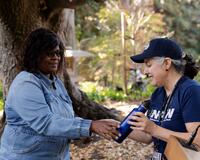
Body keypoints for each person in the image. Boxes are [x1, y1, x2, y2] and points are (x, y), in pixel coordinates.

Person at [0, 28, 119, 160]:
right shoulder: (26, 82)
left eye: (58, 53)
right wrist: (90, 126)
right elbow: (46, 122)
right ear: (34, 55)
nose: (55, 57)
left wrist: (88, 128)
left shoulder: (55, 81)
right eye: (49, 53)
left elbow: (66, 118)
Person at [127, 38, 200, 159]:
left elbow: (198, 141)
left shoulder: (191, 91)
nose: (145, 71)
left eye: (149, 65)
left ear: (167, 63)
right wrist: (118, 127)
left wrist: (154, 129)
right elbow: (148, 137)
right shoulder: (157, 94)